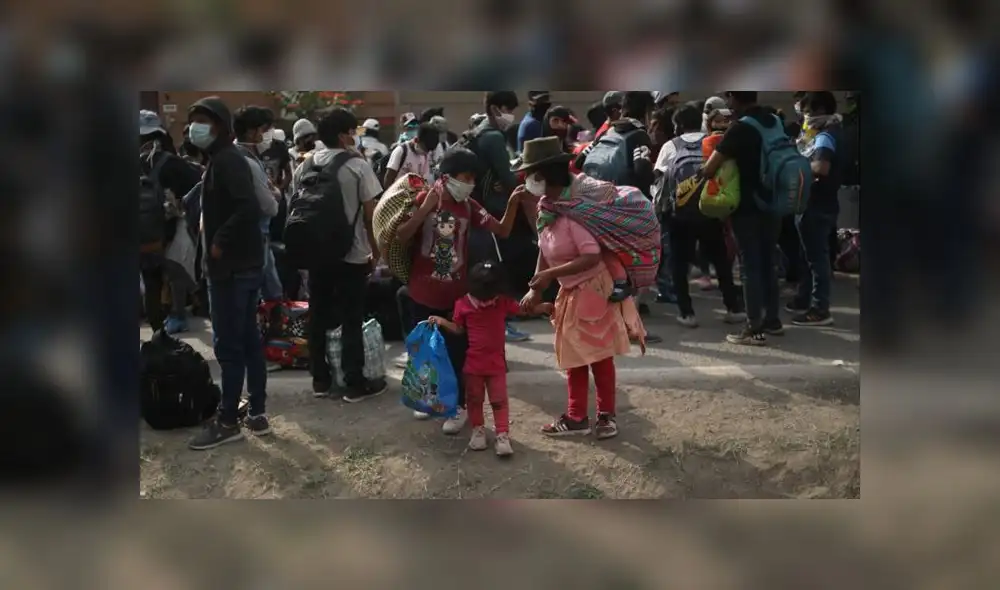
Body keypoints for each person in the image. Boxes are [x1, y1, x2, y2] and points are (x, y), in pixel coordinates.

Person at [395, 147, 527, 434]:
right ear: (447, 176)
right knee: (426, 351)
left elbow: (502, 231)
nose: (469, 183)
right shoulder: (426, 198)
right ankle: (431, 399)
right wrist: (425, 210)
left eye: (472, 178)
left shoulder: (469, 206)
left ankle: (460, 407)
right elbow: (403, 234)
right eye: (464, 177)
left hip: (454, 295)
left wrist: (514, 203)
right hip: (422, 290)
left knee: (457, 352)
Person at [518, 141, 644, 440]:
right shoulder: (548, 208)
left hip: (591, 288)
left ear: (547, 176)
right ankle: (582, 417)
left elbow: (590, 256)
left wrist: (550, 274)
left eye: (533, 174)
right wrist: (538, 285)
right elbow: (544, 247)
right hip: (572, 290)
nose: (528, 181)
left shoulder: (575, 213)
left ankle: (599, 417)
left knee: (597, 356)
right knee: (574, 356)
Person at [185, 96, 270, 449]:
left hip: (231, 270)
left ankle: (228, 421)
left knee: (229, 347)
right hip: (241, 267)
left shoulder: (227, 161)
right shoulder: (222, 160)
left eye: (203, 120)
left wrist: (219, 240)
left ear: (220, 125)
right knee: (249, 341)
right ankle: (257, 413)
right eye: (193, 120)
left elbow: (248, 207)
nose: (195, 128)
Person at [287, 108, 387, 401]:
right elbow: (372, 215)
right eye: (353, 132)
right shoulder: (358, 166)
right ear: (344, 135)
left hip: (316, 254)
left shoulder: (304, 166)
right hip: (352, 253)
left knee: (318, 314)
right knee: (351, 317)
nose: (356, 137)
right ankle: (354, 383)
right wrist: (375, 251)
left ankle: (320, 380)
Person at [428, 262, 552, 457]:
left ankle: (502, 435)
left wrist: (540, 308)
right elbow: (459, 329)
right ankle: (478, 431)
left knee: (498, 400)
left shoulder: (501, 302)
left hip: (495, 365)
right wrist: (442, 322)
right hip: (474, 365)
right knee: (474, 400)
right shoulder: (464, 305)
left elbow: (522, 310)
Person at [698, 91, 784, 345]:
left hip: (747, 206)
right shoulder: (774, 121)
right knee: (769, 261)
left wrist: (702, 172)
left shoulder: (740, 129)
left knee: (750, 267)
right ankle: (773, 321)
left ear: (734, 98)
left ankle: (753, 328)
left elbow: (711, 167)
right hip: (773, 201)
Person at [657, 103, 745, 328]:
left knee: (679, 264)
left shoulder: (671, 146)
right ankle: (732, 307)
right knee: (720, 260)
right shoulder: (713, 141)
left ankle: (687, 313)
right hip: (710, 209)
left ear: (677, 125)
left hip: (680, 215)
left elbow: (659, 178)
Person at [464, 91, 535, 343]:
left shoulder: (476, 133)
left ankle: (496, 321)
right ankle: (501, 323)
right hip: (494, 210)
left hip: (479, 208)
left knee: (486, 266)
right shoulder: (493, 137)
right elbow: (506, 178)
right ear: (495, 109)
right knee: (497, 268)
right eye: (507, 108)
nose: (510, 115)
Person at [139, 111, 202, 335]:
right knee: (176, 274)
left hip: (143, 235)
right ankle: (176, 315)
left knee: (151, 283)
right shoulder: (171, 162)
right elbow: (198, 186)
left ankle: (157, 333)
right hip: (170, 229)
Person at [786, 91, 843, 326]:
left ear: (820, 111)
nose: (805, 117)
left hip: (817, 205)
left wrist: (797, 168)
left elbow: (820, 168)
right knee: (809, 257)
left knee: (816, 260)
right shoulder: (825, 134)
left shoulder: (825, 137)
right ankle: (804, 299)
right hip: (819, 204)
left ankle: (820, 309)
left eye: (808, 112)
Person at [232, 106, 283, 303]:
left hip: (248, 236)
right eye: (264, 130)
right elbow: (270, 206)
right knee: (268, 291)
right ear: (252, 132)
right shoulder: (249, 163)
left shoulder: (236, 156)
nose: (266, 135)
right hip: (255, 236)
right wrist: (275, 194)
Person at [383, 122, 439, 186]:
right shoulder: (401, 151)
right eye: (424, 149)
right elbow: (389, 177)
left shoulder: (425, 156)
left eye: (428, 151)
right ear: (416, 140)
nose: (425, 153)